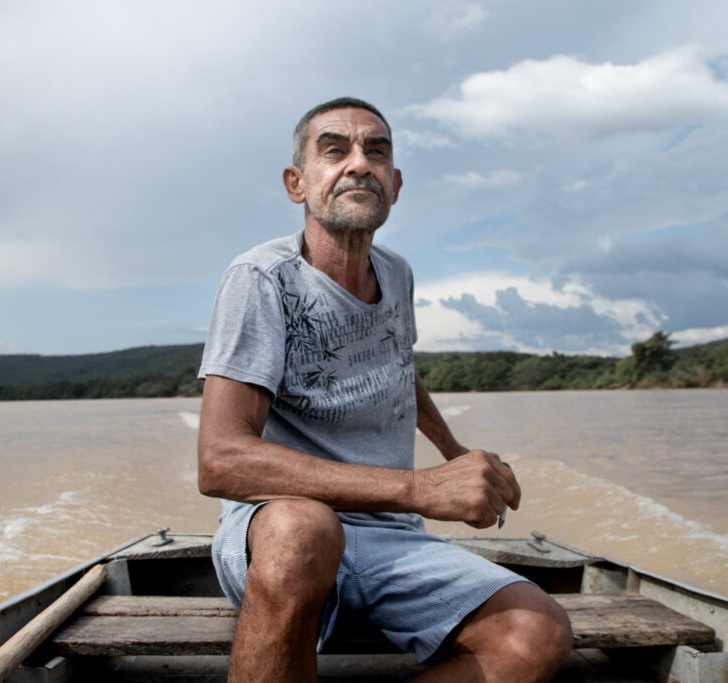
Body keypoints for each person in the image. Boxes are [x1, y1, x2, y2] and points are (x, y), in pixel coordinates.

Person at [197, 97, 572, 682]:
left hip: (391, 538)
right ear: (297, 183)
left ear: (394, 185)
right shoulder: (260, 280)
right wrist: (422, 488)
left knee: (537, 635)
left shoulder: (397, 273)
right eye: (334, 150)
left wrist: (453, 453)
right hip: (278, 534)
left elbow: (398, 365)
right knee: (304, 531)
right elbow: (220, 460)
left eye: (376, 151)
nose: (358, 164)